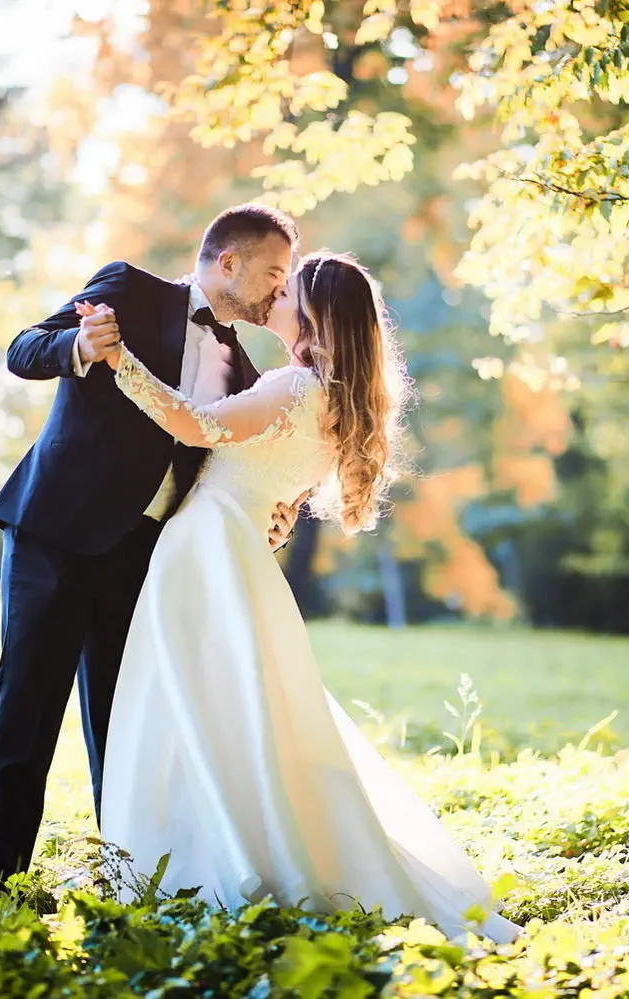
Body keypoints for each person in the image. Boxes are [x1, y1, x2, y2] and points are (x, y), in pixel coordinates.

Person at [93, 251, 519, 943]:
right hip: (235, 552)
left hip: (207, 548)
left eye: (286, 288)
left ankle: (209, 855)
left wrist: (120, 365)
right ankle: (219, 842)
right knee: (230, 706)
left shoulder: (294, 386)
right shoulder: (331, 400)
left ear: (313, 313)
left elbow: (194, 425)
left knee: (193, 700)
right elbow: (277, 484)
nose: (274, 295)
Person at [0, 204, 306, 883]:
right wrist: (79, 347)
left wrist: (278, 512)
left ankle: (124, 881)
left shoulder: (246, 372)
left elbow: (235, 470)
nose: (280, 287)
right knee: (25, 713)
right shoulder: (126, 286)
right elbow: (22, 349)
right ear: (228, 262)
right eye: (273, 271)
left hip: (144, 560)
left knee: (127, 733)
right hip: (56, 535)